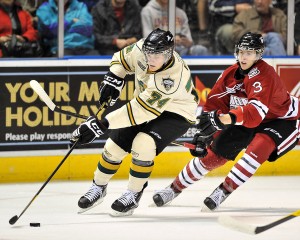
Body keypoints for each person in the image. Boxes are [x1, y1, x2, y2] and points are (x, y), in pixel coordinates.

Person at [152, 32, 300, 211]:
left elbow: (255, 113)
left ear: (258, 55)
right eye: (242, 51)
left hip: (284, 120)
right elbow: (213, 106)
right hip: (249, 118)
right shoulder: (229, 75)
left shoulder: (265, 74)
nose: (244, 56)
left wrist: (225, 119)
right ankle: (173, 189)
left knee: (257, 149)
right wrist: (204, 133)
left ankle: (223, 190)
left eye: (250, 53)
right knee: (213, 155)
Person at [71, 28, 199, 216]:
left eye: (158, 55)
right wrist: (114, 77)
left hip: (177, 112)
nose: (151, 59)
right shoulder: (142, 48)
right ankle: (98, 187)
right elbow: (121, 59)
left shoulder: (172, 77)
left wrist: (103, 124)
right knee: (114, 145)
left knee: (143, 143)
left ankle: (133, 193)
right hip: (143, 105)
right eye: (148, 53)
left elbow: (141, 110)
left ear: (169, 53)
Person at [141, 0, 208, 56]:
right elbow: (147, 39)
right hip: (159, 51)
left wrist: (184, 41)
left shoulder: (180, 13)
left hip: (182, 50)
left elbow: (190, 41)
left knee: (200, 49)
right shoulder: (147, 11)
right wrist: (169, 40)